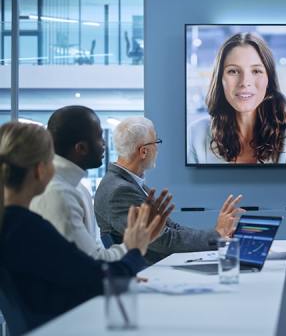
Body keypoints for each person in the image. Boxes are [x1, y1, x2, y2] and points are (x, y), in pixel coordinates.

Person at [0, 122, 165, 333]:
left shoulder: (13, 225)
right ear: (40, 170)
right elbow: (98, 280)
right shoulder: (29, 228)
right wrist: (135, 249)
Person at [95, 116, 245, 264]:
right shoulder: (120, 191)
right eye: (156, 142)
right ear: (143, 152)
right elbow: (165, 240)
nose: (158, 148)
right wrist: (216, 234)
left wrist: (216, 235)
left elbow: (173, 228)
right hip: (151, 272)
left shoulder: (131, 184)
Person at [30, 106, 157, 261]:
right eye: (99, 137)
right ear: (81, 148)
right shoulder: (59, 193)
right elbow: (90, 262)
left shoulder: (75, 188)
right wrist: (133, 244)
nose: (104, 143)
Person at [187, 32, 286, 164]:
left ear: (269, 79)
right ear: (220, 79)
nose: (244, 82)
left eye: (256, 71)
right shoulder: (196, 134)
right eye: (233, 71)